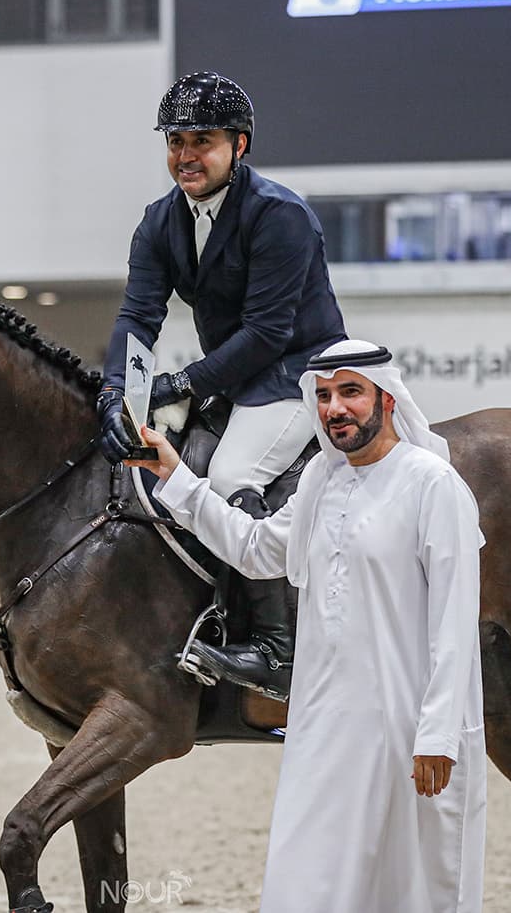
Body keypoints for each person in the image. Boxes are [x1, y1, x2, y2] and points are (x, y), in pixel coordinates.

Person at [129, 339, 486, 912]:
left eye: (350, 393)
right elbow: (254, 548)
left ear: (387, 400)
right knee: (308, 882)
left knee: (412, 888)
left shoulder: (433, 485)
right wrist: (175, 479)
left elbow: (454, 622)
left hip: (407, 729)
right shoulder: (322, 477)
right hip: (323, 725)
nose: (335, 408)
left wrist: (439, 734)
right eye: (323, 396)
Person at [97, 71, 347, 697]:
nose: (185, 154)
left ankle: (276, 648)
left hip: (299, 374)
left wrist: (179, 382)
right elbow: (138, 317)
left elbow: (266, 334)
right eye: (176, 140)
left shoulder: (280, 216)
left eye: (201, 140)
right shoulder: (160, 222)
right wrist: (114, 393)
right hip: (234, 380)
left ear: (240, 145)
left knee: (233, 475)